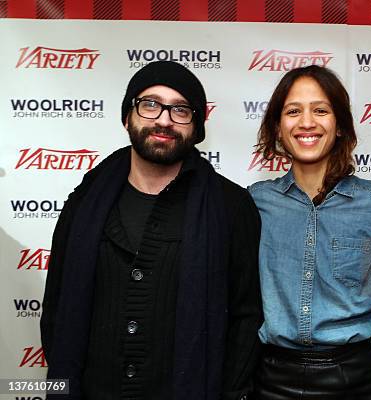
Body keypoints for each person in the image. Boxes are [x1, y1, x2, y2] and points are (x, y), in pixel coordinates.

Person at [40, 61, 263, 400]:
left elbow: (247, 318)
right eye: (150, 104)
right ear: (127, 116)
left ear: (197, 128)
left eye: (180, 110)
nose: (164, 119)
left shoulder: (231, 206)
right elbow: (56, 304)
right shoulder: (85, 200)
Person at [248, 65, 371, 400]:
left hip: (352, 379)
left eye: (321, 110)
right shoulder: (255, 203)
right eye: (293, 111)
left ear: (340, 125)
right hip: (270, 379)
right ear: (277, 127)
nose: (307, 122)